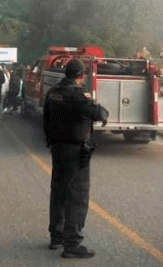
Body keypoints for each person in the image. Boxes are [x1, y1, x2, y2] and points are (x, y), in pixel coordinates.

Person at [43, 59, 108, 259]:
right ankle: (72, 244)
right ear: (81, 76)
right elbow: (99, 113)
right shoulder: (79, 95)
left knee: (58, 191)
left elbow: (45, 119)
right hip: (75, 151)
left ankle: (57, 236)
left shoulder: (52, 93)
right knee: (77, 196)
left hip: (57, 148)